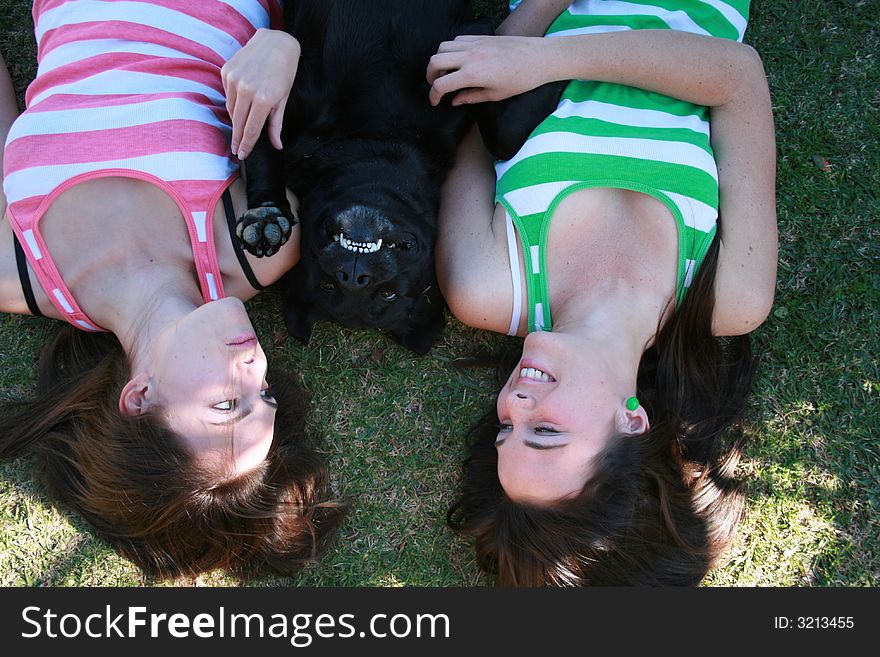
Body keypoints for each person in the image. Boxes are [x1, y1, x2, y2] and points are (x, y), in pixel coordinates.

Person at [428, 0, 777, 585]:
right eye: (544, 432)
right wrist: (550, 62)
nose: (512, 406)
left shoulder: (484, 281)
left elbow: (468, 98)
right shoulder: (732, 294)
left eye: (504, 432)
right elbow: (738, 76)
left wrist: (542, 17)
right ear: (632, 423)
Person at [0, 0, 346, 579]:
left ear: (140, 397)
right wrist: (284, 47)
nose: (256, 366)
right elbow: (328, 78)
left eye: (226, 404)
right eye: (265, 396)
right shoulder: (258, 246)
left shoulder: (18, 269)